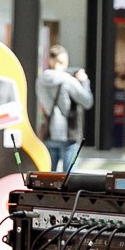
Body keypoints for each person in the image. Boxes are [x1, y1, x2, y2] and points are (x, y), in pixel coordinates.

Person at [35, 43, 91, 172]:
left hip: (48, 133)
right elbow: (87, 101)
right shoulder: (69, 80)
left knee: (48, 178)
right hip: (68, 135)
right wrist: (84, 81)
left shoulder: (40, 80)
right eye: (62, 62)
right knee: (69, 179)